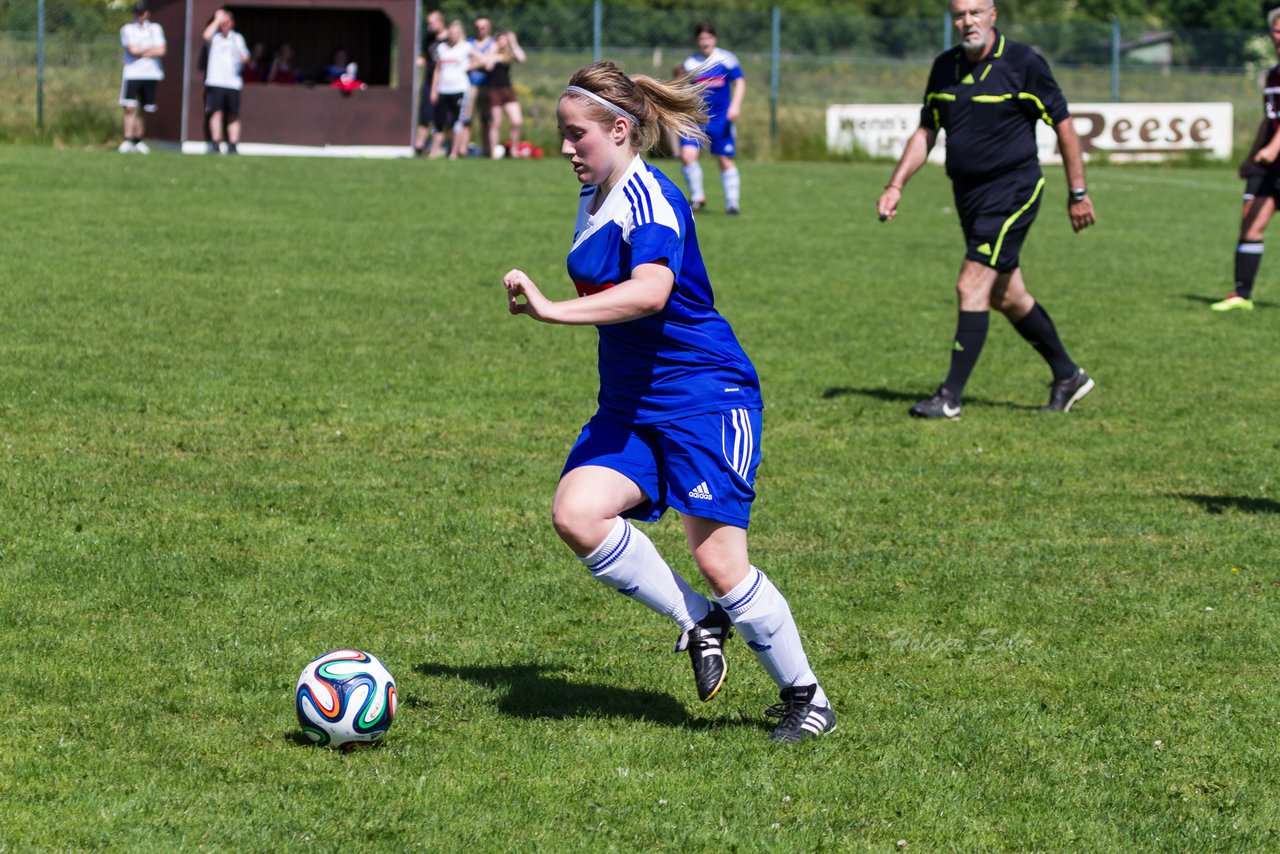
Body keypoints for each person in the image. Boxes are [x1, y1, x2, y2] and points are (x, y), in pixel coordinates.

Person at [501, 61, 836, 744]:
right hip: (631, 403)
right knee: (577, 512)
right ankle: (699, 620)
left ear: (620, 129)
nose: (566, 149)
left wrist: (550, 310)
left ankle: (809, 699)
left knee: (720, 562)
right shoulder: (597, 194)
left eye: (576, 136)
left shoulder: (651, 195)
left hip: (703, 397)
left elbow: (652, 292)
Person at [877, 0, 1097, 419]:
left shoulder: (1023, 63)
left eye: (976, 12)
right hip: (968, 196)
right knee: (1007, 295)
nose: (968, 22)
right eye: (960, 14)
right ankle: (1068, 375)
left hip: (1013, 191)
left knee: (970, 284)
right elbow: (927, 129)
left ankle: (950, 397)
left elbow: (1064, 125)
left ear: (993, 14)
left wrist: (1079, 192)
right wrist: (895, 185)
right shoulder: (944, 67)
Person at [1211, 9, 1280, 311]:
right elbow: (1269, 121)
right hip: (1271, 164)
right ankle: (1242, 295)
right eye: (1278, 30)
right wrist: (1252, 156)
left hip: (1276, 157)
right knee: (1250, 222)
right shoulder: (1273, 74)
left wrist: (1274, 149)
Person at [680, 22, 745, 215]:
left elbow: (740, 82)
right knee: (687, 155)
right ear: (697, 41)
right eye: (701, 38)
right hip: (697, 119)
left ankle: (732, 203)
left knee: (724, 159)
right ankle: (698, 197)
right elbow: (684, 89)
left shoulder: (726, 59)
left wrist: (736, 105)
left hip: (721, 119)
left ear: (714, 39)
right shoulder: (690, 63)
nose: (705, 42)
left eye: (708, 38)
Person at [118, 2, 166, 154]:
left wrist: (141, 51)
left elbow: (162, 50)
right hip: (133, 73)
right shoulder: (127, 29)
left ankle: (138, 140)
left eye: (143, 12)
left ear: (148, 13)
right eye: (138, 12)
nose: (141, 15)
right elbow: (132, 50)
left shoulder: (156, 28)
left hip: (151, 73)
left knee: (144, 108)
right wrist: (151, 49)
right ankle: (127, 139)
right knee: (130, 107)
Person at [202, 8, 249, 155]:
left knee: (233, 114)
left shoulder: (237, 38)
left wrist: (243, 58)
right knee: (216, 113)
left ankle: (233, 144)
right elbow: (205, 35)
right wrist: (217, 19)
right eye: (222, 22)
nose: (224, 25)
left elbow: (246, 56)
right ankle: (215, 143)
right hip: (216, 81)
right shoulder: (215, 37)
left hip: (233, 83)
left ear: (232, 23)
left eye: (227, 22)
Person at [429, 20, 474, 159]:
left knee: (456, 122)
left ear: (459, 34)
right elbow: (437, 70)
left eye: (456, 33)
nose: (453, 36)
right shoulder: (442, 47)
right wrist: (433, 89)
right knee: (439, 122)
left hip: (459, 88)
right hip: (443, 88)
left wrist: (468, 67)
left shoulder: (466, 47)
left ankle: (453, 152)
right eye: (451, 33)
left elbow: (482, 59)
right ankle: (434, 151)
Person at [484, 29, 526, 158]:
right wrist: (494, 51)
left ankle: (513, 150)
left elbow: (522, 58)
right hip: (494, 90)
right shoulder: (492, 51)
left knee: (517, 121)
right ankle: (493, 153)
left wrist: (514, 43)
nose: (503, 42)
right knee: (496, 122)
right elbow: (488, 66)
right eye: (501, 39)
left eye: (505, 39)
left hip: (507, 89)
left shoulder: (509, 53)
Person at [414, 10, 447, 156]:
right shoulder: (429, 39)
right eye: (427, 23)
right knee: (425, 115)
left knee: (441, 118)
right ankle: (418, 147)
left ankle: (437, 149)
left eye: (432, 23)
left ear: (441, 22)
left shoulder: (450, 39)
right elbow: (426, 57)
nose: (429, 27)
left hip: (445, 83)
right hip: (428, 81)